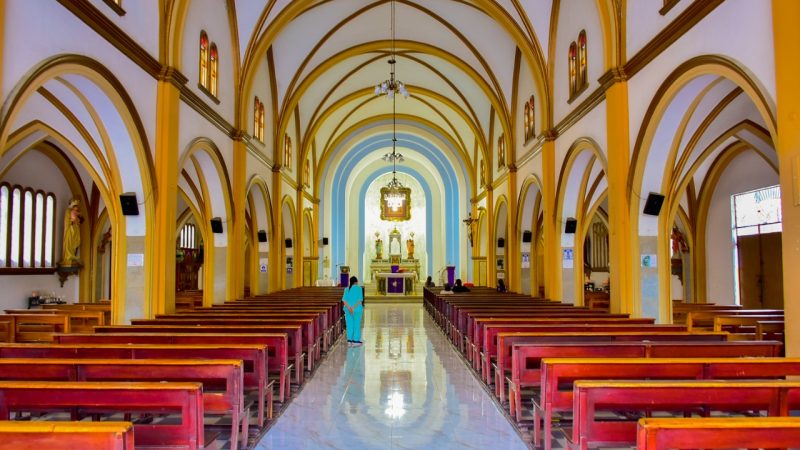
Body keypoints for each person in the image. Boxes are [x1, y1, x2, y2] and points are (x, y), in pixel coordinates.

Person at [342, 276, 364, 347]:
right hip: (357, 310)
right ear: (356, 282)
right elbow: (360, 300)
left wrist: (349, 308)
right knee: (356, 324)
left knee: (349, 324)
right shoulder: (359, 288)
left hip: (348, 310)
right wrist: (353, 308)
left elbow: (344, 300)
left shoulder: (346, 289)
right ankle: (355, 341)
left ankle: (349, 341)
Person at [61, 199, 83, 266]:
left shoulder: (75, 212)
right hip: (70, 230)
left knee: (74, 243)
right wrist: (77, 218)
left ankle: (72, 256)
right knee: (69, 242)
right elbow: (74, 219)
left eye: (77, 208)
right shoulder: (70, 211)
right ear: (73, 206)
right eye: (75, 207)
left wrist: (78, 218)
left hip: (74, 228)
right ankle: (68, 257)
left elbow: (79, 220)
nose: (77, 209)